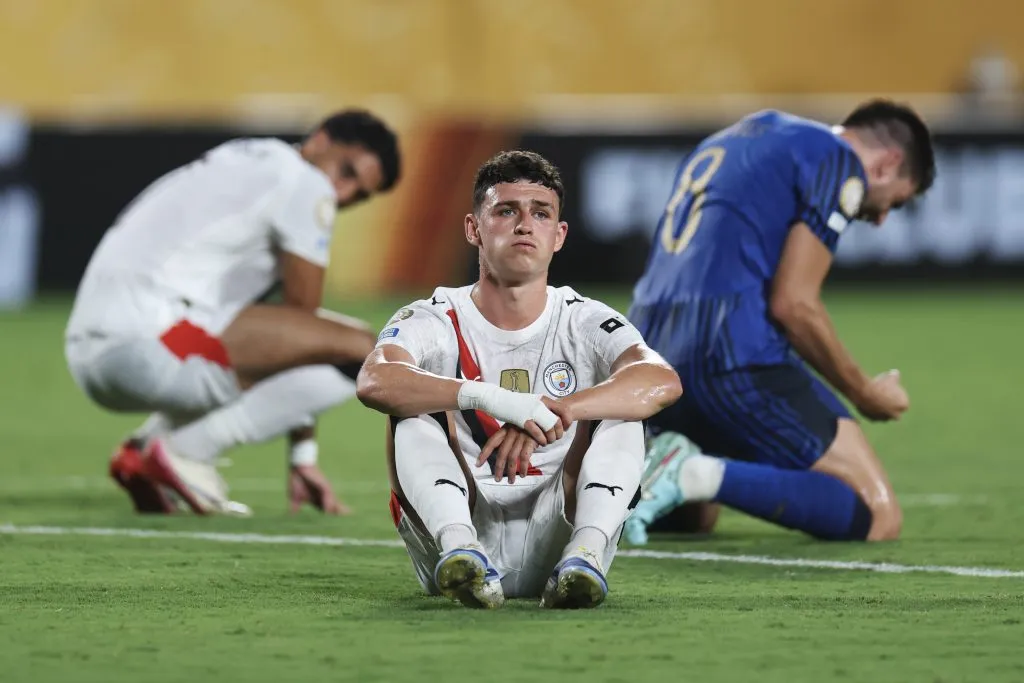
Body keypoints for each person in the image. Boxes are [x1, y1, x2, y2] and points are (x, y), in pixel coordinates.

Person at [355, 150, 681, 609]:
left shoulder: (585, 319)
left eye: (540, 213)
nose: (525, 225)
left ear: (559, 235)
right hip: (457, 526)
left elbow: (661, 380)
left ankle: (586, 553)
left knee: (623, 410)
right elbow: (374, 380)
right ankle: (460, 549)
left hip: (558, 527)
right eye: (507, 211)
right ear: (474, 229)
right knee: (410, 408)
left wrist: (555, 410)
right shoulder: (434, 315)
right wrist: (491, 399)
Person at [624, 100, 936, 544]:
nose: (882, 219)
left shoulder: (728, 140)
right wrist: (865, 392)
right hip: (730, 353)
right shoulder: (836, 159)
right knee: (876, 513)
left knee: (695, 518)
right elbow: (794, 305)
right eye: (897, 203)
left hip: (651, 360)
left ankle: (635, 475)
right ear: (887, 164)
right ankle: (689, 471)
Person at [64, 109, 402, 516]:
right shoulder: (307, 184)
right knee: (366, 349)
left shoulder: (246, 157)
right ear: (320, 140)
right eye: (346, 172)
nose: (343, 195)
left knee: (307, 339)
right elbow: (305, 330)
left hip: (92, 348)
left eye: (360, 195)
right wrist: (302, 454)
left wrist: (301, 456)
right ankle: (184, 451)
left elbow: (297, 337)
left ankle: (144, 450)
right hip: (146, 343)